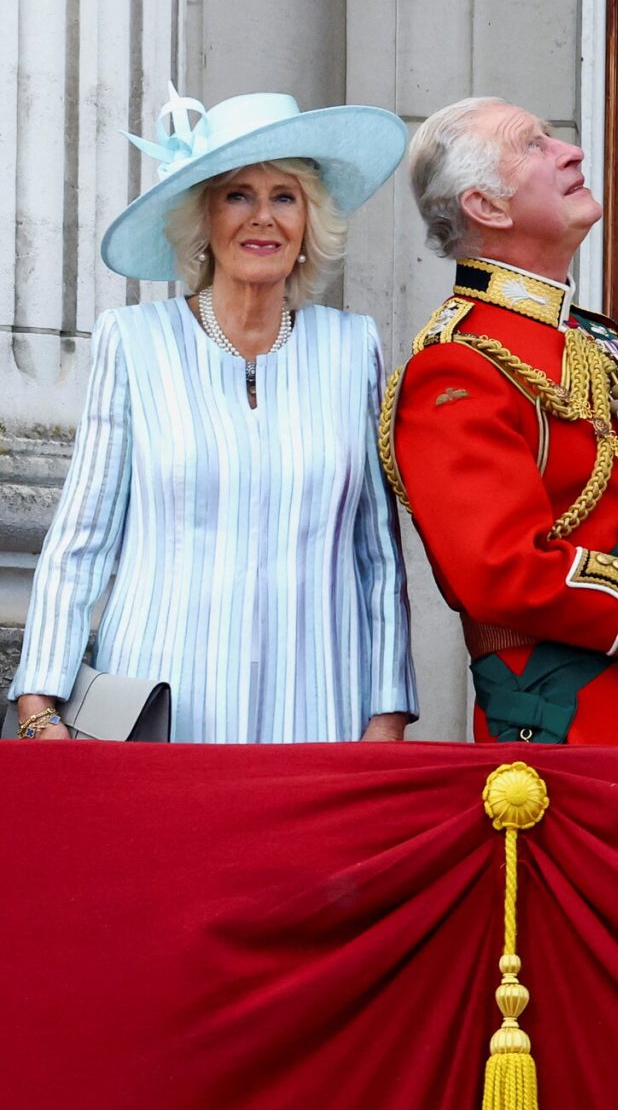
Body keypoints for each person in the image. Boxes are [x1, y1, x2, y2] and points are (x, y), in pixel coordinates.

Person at [11, 90, 415, 743]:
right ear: (203, 217)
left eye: (285, 196)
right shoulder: (134, 342)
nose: (263, 218)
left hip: (318, 712)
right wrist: (40, 707)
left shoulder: (352, 349)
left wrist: (387, 715)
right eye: (238, 195)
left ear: (311, 219)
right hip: (162, 709)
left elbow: (377, 553)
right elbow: (82, 539)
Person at [382, 97, 618, 746]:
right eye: (533, 144)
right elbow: (502, 571)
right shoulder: (456, 366)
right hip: (561, 737)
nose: (572, 151)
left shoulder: (603, 343)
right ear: (487, 206)